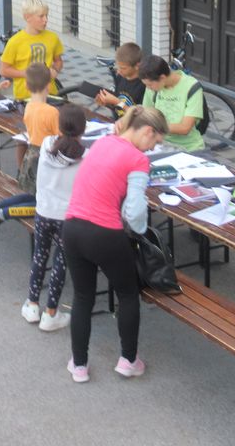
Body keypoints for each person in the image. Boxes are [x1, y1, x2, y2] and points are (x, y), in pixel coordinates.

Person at [62, 105, 168, 383]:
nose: (152, 149)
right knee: (128, 294)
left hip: (72, 227)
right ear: (148, 131)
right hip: (106, 234)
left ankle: (79, 365)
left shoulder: (102, 143)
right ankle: (128, 360)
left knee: (82, 297)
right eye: (155, 142)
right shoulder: (138, 160)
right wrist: (140, 231)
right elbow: (135, 211)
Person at [21, 104, 87, 332]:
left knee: (40, 255)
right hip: (67, 216)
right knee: (61, 260)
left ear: (59, 126)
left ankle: (32, 304)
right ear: (83, 130)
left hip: (43, 211)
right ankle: (51, 312)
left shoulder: (47, 144)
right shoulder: (84, 156)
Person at [0, 64, 60, 240]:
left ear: (27, 86)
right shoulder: (52, 111)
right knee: (42, 203)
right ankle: (2, 214)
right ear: (49, 84)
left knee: (32, 195)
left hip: (31, 154)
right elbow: (59, 138)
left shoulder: (29, 106)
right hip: (44, 158)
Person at [0, 0, 64, 101]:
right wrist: (27, 74)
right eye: (41, 16)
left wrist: (55, 70)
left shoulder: (53, 38)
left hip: (50, 93)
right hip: (24, 97)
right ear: (27, 17)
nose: (46, 20)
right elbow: (4, 70)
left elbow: (58, 61)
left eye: (47, 16)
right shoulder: (15, 42)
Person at [139, 55, 205, 154]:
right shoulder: (152, 88)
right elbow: (145, 116)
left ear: (162, 77)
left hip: (189, 148)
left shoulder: (191, 87)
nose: (148, 88)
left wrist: (155, 126)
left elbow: (185, 128)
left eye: (150, 85)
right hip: (160, 145)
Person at [94, 42, 146, 118]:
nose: (119, 71)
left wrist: (117, 102)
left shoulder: (144, 85)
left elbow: (140, 116)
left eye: (123, 68)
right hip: (118, 122)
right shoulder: (121, 77)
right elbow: (118, 106)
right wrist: (106, 103)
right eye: (118, 67)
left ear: (137, 66)